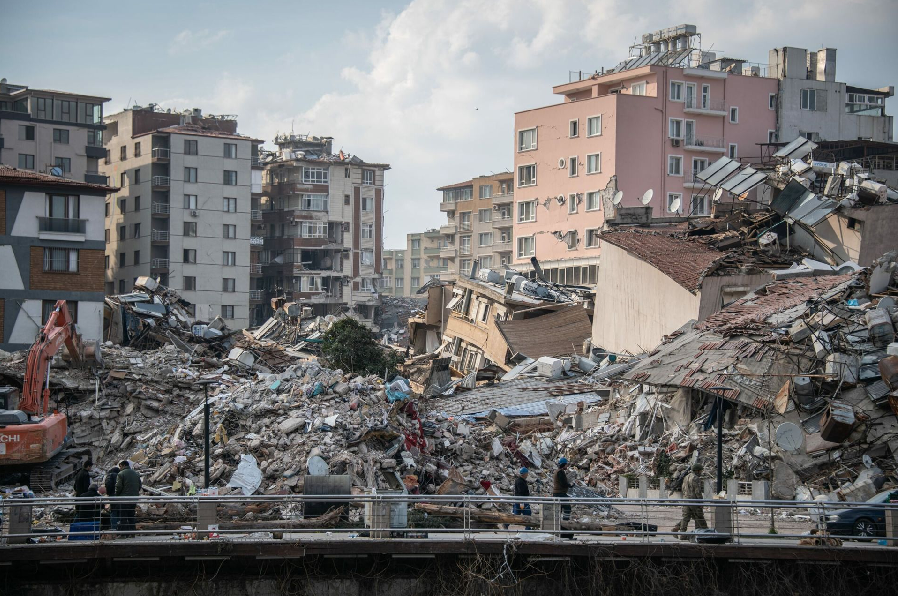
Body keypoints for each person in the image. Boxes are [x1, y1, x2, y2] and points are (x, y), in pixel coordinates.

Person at [674, 462, 708, 540]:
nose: (701, 473)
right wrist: (700, 502)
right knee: (699, 517)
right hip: (694, 500)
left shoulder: (686, 477)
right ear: (697, 471)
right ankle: (706, 532)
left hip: (686, 500)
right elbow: (698, 492)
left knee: (686, 517)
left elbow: (683, 489)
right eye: (700, 471)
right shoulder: (696, 478)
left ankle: (682, 533)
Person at [115, 460, 142, 537]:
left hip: (124, 499)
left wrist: (117, 495)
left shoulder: (121, 474)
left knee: (123, 517)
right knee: (131, 516)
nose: (119, 468)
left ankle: (123, 534)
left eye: (120, 466)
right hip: (133, 498)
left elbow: (118, 487)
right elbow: (139, 486)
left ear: (123, 465)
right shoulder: (136, 474)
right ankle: (132, 533)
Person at [553, 457, 574, 539]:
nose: (567, 466)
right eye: (566, 464)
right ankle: (565, 524)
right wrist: (570, 485)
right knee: (567, 508)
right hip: (560, 494)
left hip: (557, 493)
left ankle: (560, 528)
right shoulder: (560, 472)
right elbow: (563, 483)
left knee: (559, 510)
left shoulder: (557, 472)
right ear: (563, 464)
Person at [104, 465, 121, 530]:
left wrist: (109, 493)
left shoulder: (110, 475)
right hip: (120, 496)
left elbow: (108, 485)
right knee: (119, 511)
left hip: (113, 496)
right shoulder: (120, 476)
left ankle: (113, 528)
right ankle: (119, 527)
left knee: (113, 511)